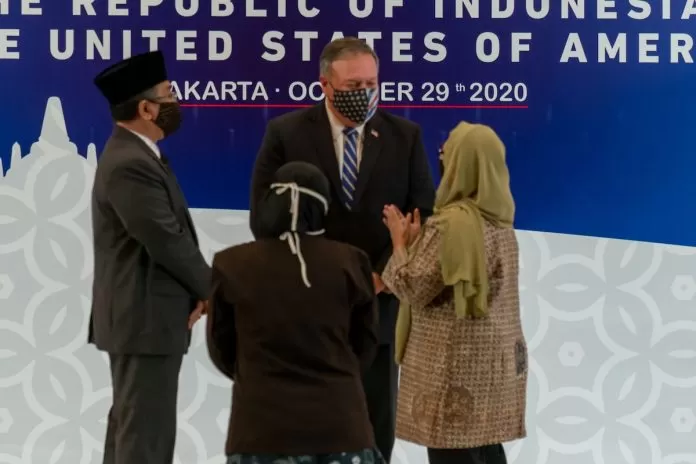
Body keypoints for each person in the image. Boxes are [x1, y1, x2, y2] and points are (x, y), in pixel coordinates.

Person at [249, 37, 435, 462]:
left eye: (372, 84)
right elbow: (265, 219)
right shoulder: (286, 134)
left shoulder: (405, 136)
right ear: (325, 86)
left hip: (379, 310)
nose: (365, 94)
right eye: (353, 86)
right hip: (309, 311)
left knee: (374, 434)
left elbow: (423, 215)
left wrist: (383, 276)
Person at [206, 161, 382, 463]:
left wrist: (256, 374)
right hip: (341, 426)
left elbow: (221, 348)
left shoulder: (231, 264)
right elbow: (365, 345)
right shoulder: (352, 262)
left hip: (260, 430)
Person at [88, 50, 212, 464]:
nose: (176, 101)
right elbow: (165, 239)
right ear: (146, 108)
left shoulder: (139, 155)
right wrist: (212, 289)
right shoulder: (130, 162)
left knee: (134, 428)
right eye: (169, 94)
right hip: (144, 319)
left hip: (147, 319)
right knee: (145, 438)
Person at [380, 122, 527, 464]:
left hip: (452, 372)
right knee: (486, 450)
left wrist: (400, 243)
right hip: (495, 365)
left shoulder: (450, 225)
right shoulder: (501, 222)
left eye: (446, 155)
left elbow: (411, 287)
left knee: (454, 454)